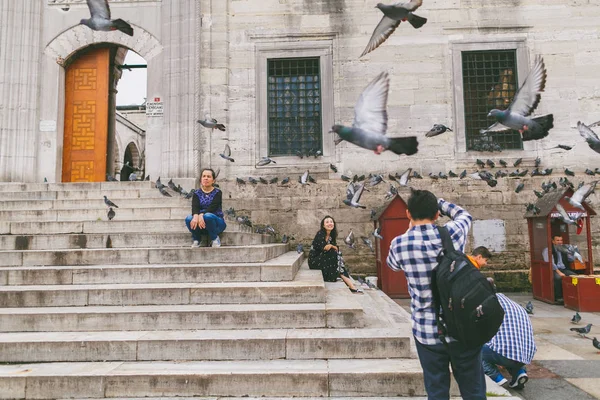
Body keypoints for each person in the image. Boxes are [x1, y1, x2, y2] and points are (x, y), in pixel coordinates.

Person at [387, 189, 486, 400]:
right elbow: (465, 215)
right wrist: (439, 203)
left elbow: (392, 265)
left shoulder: (399, 244)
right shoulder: (451, 233)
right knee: (474, 391)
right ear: (436, 215)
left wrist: (409, 229)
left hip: (427, 330)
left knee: (437, 391)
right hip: (462, 328)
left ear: (408, 214)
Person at [482, 293, 536, 390]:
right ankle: (520, 373)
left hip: (505, 352)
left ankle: (496, 378)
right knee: (511, 351)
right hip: (526, 354)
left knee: (474, 351)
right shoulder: (513, 304)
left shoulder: (489, 304)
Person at [308, 215, 362, 293]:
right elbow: (325, 247)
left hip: (324, 259)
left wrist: (333, 247)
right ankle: (349, 284)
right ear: (323, 225)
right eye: (327, 222)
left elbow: (335, 249)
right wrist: (332, 246)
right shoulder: (320, 234)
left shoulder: (332, 235)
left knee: (336, 254)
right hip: (314, 260)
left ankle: (349, 283)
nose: (330, 223)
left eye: (331, 222)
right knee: (334, 253)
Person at [185, 168, 226, 247]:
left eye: (208, 176)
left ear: (213, 180)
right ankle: (197, 239)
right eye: (204, 176)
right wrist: (196, 216)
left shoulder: (217, 192)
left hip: (217, 223)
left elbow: (213, 208)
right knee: (189, 219)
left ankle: (214, 238)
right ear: (201, 179)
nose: (206, 178)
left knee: (208, 216)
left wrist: (201, 214)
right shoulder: (196, 193)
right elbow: (195, 207)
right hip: (202, 225)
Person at [542, 234, 576, 302]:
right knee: (558, 278)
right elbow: (551, 263)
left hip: (564, 269)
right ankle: (558, 297)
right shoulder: (548, 250)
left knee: (574, 276)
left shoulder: (563, 249)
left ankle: (572, 296)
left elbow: (571, 260)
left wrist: (571, 253)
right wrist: (559, 272)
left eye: (561, 240)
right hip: (554, 270)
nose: (560, 242)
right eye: (557, 240)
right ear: (553, 241)